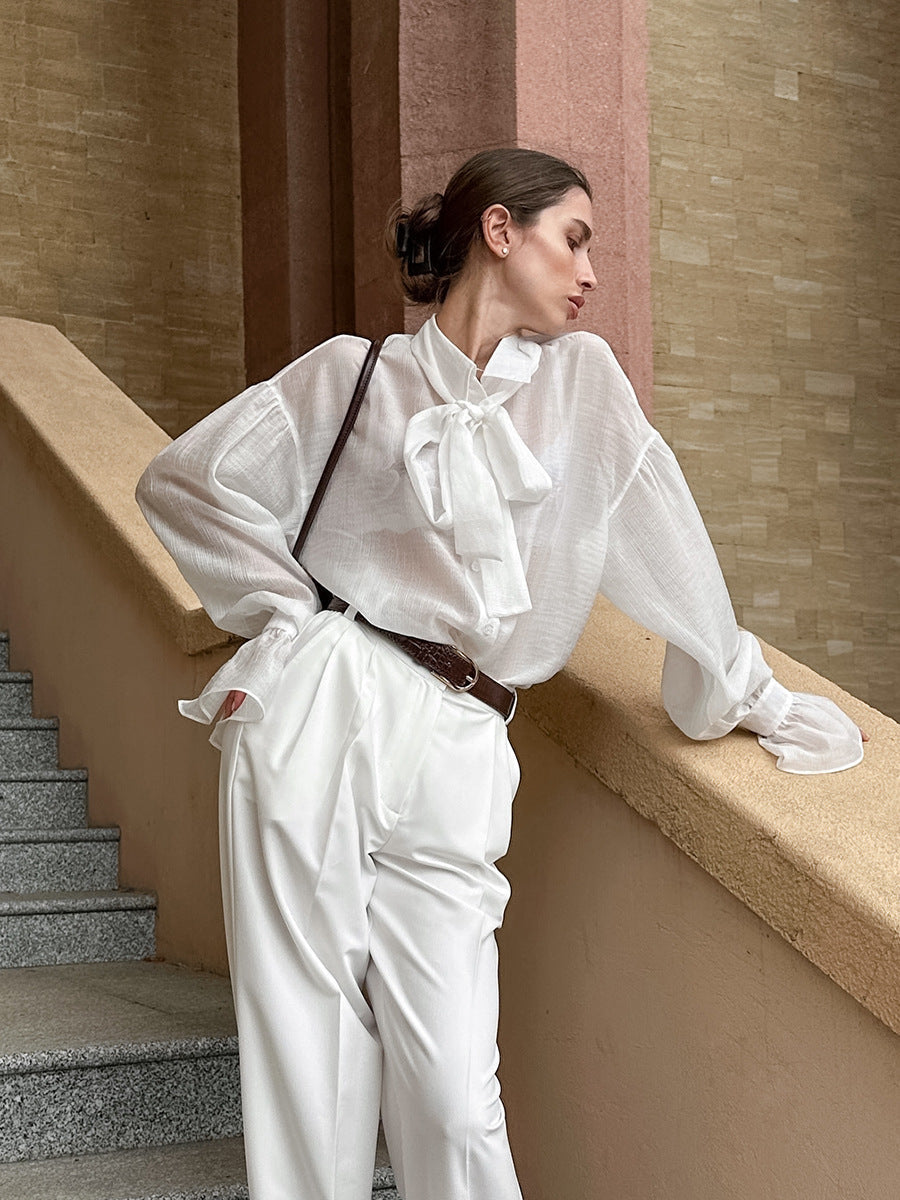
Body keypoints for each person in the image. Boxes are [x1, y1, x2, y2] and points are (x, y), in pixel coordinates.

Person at [135, 147, 865, 1200]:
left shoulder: (580, 390)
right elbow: (189, 484)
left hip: (466, 731)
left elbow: (663, 537)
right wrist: (289, 621)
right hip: (324, 699)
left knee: (451, 1088)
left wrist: (739, 685)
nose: (591, 271)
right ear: (499, 231)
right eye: (574, 237)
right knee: (305, 1044)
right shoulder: (354, 375)